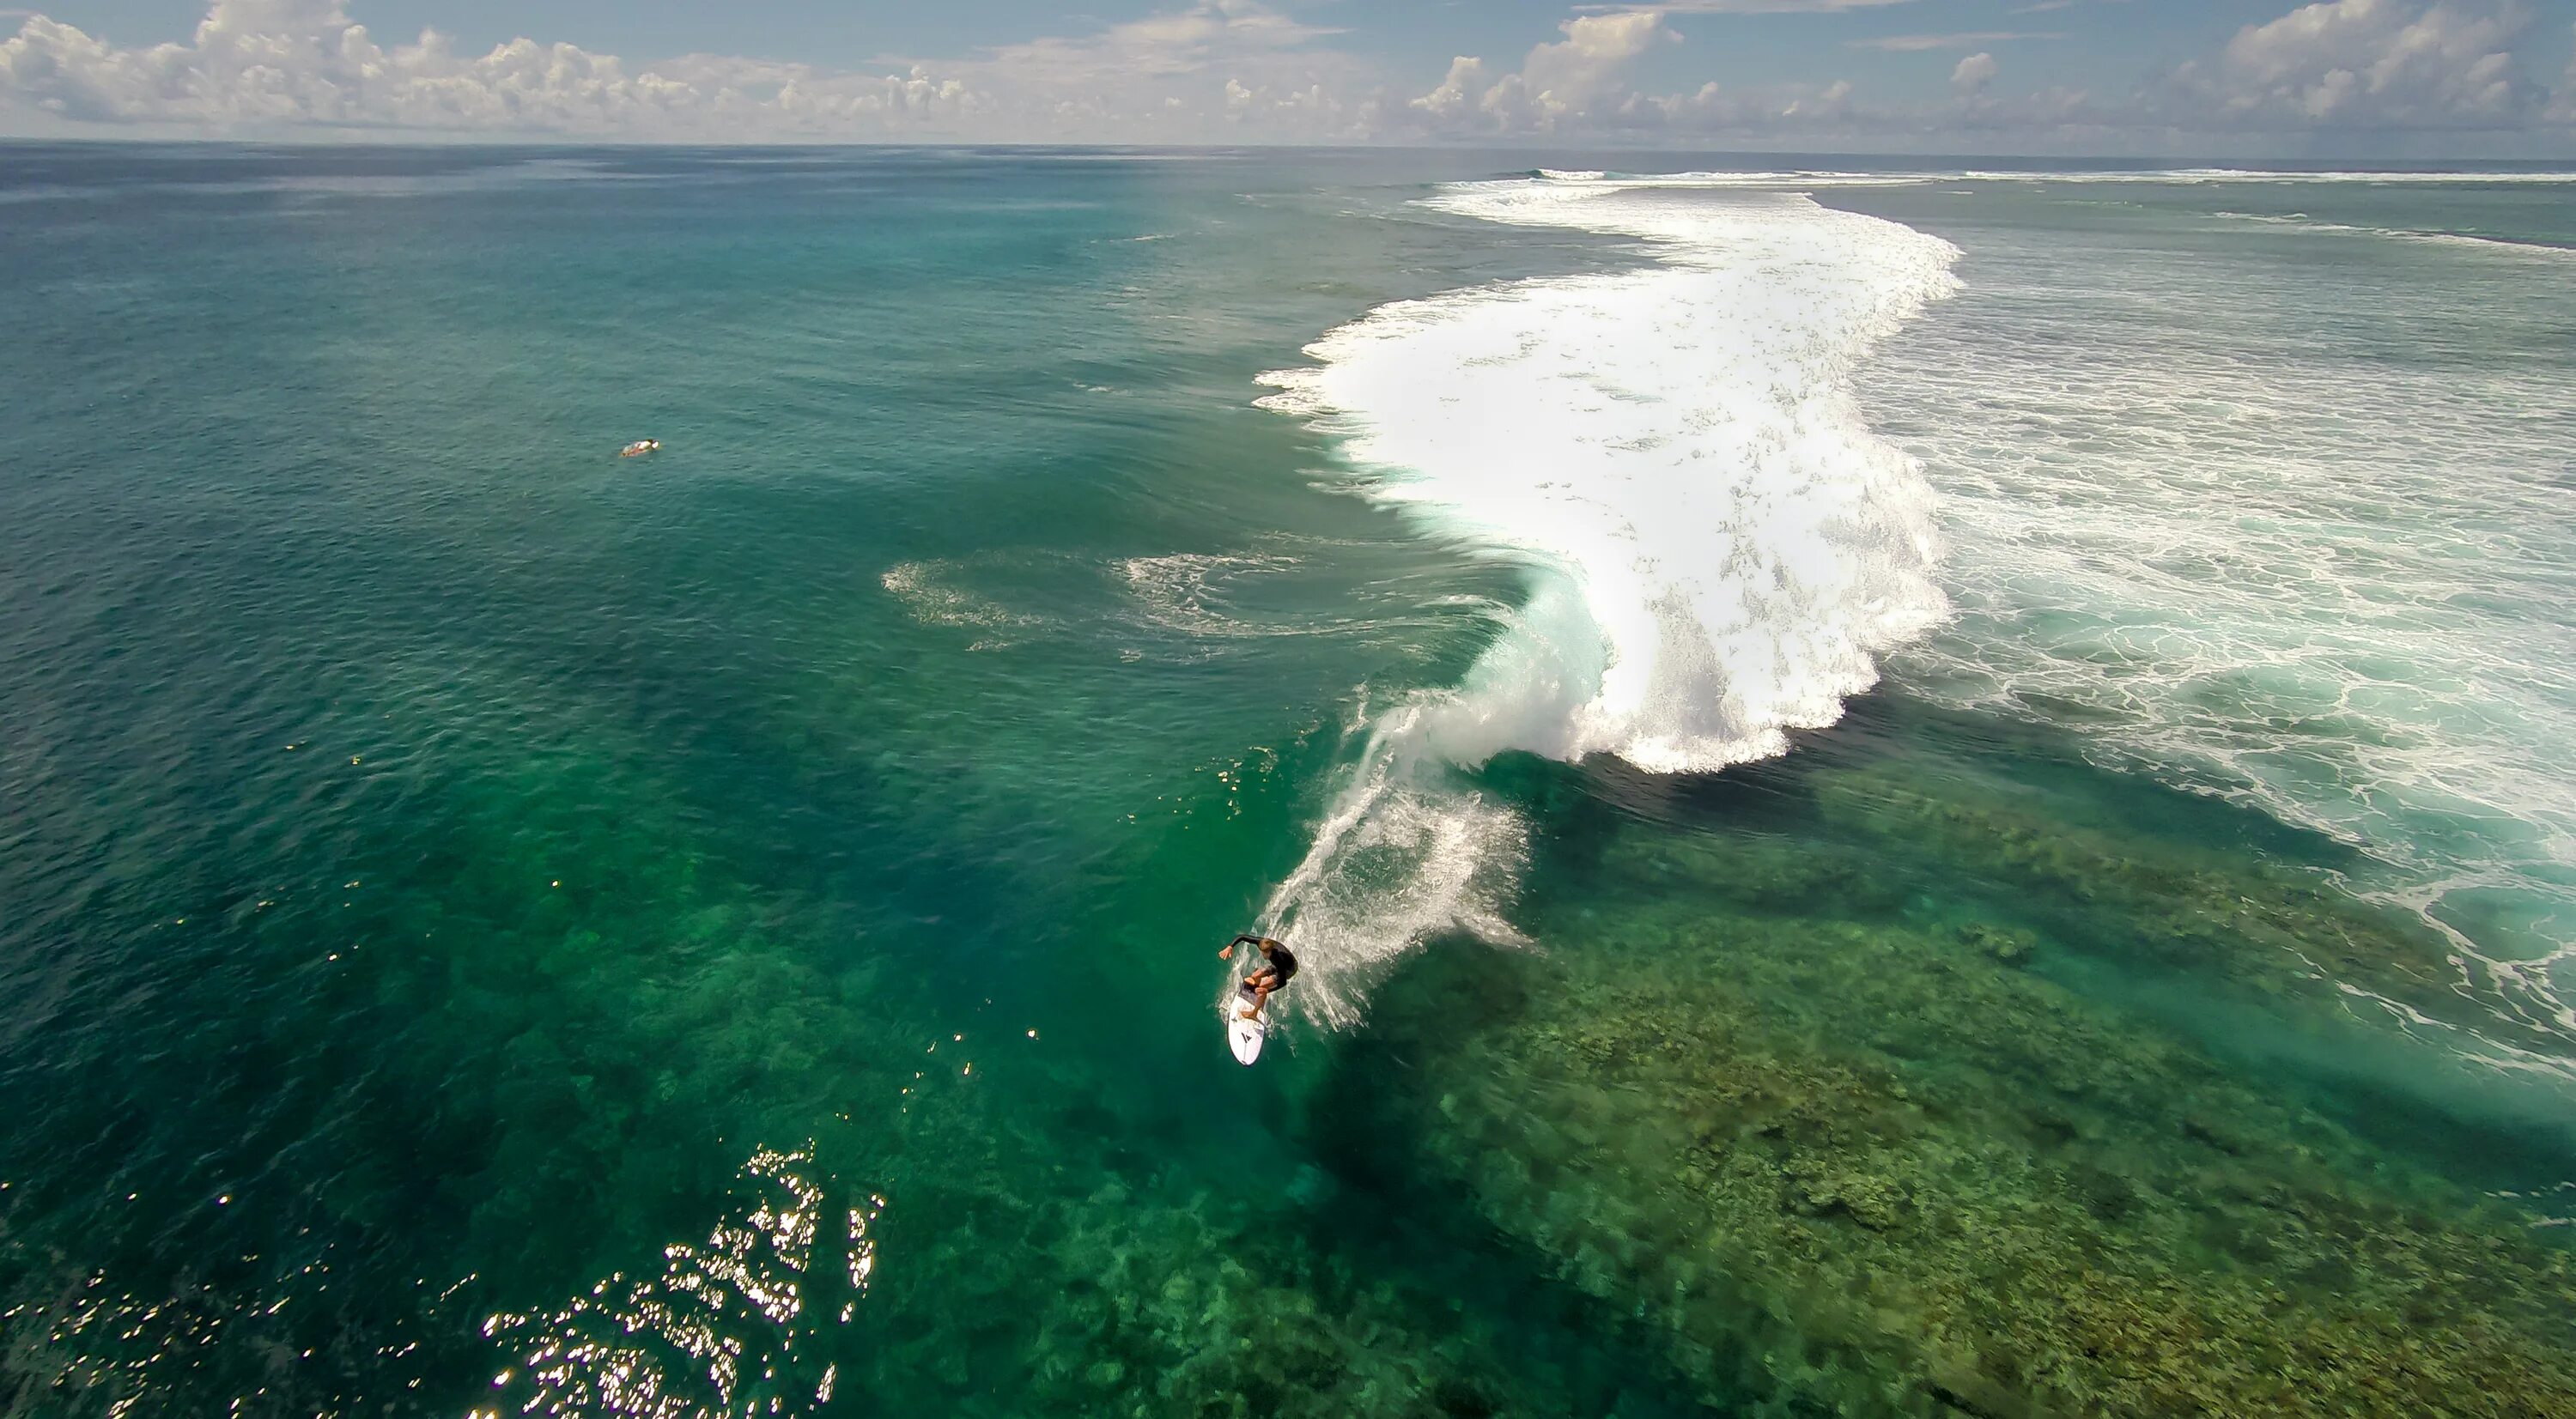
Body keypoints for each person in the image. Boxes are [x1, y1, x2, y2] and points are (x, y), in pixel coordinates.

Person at [1218, 933, 1297, 1021]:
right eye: (1262, 952)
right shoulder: (1261, 942)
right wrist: (1230, 946)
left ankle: (1254, 1014)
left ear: (1270, 951)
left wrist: (1267, 990)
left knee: (1263, 988)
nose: (1263, 955)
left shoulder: (1278, 958)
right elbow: (1242, 937)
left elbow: (1283, 982)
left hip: (1289, 969)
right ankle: (1256, 987)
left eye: (1265, 953)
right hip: (1280, 965)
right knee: (1255, 976)